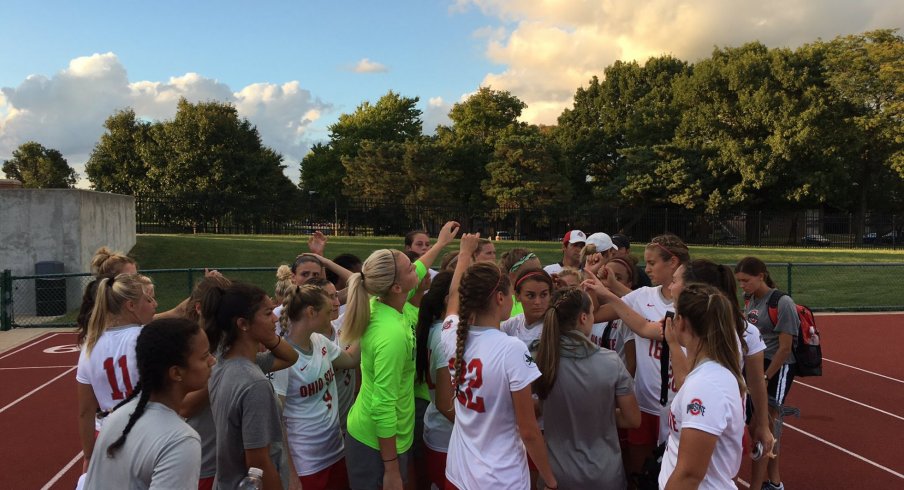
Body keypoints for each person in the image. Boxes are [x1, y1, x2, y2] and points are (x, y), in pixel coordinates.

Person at [340, 221, 459, 490]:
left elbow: (417, 268)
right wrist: (391, 469)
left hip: (388, 440)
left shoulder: (386, 302)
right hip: (375, 444)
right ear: (397, 286)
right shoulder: (390, 334)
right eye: (409, 267)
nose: (417, 267)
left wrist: (441, 244)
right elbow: (382, 405)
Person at [443, 250, 558, 490]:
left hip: (457, 473)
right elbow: (528, 431)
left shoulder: (450, 333)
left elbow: (454, 298)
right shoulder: (510, 349)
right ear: (499, 298)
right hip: (500, 478)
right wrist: (550, 480)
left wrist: (464, 254)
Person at [587, 234, 691, 478]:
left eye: (653, 263)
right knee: (640, 472)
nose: (647, 268)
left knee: (677, 473)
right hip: (645, 403)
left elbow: (646, 326)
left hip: (681, 403)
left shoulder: (695, 303)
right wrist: (590, 275)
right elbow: (593, 314)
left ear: (673, 262)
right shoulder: (643, 296)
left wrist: (610, 290)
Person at [84, 318, 214, 489]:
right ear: (176, 372)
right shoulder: (180, 440)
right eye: (204, 357)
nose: (212, 361)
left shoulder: (116, 418)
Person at [535, 287, 640, 489]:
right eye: (593, 313)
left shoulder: (540, 359)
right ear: (583, 317)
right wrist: (597, 411)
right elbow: (633, 419)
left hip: (556, 475)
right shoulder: (611, 361)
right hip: (604, 474)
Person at [203, 282, 300, 490]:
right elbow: (258, 463)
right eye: (267, 314)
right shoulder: (254, 384)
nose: (275, 318)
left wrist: (270, 337)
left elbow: (291, 357)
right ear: (243, 324)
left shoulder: (222, 360)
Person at [658, 284, 746, 489]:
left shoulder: (707, 386)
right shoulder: (707, 374)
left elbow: (689, 475)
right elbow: (687, 383)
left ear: (681, 322)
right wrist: (672, 343)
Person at [280, 285, 359, 490]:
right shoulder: (282, 358)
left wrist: (368, 323)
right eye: (326, 312)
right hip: (308, 462)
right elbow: (278, 420)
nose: (331, 317)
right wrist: (292, 474)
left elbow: (350, 360)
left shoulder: (319, 340)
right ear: (311, 312)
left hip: (336, 449)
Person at [76, 273, 157, 475]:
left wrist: (88, 455)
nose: (154, 304)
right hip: (146, 434)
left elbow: (85, 411)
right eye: (147, 299)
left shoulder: (90, 346)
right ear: (131, 306)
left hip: (107, 435)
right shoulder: (146, 338)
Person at [735, 257, 800, 490]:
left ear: (761, 276)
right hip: (757, 362)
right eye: (739, 281)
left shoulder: (782, 303)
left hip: (778, 367)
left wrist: (765, 377)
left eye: (746, 280)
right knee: (754, 425)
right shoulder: (749, 299)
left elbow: (785, 347)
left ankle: (773, 481)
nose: (742, 285)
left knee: (764, 424)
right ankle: (769, 479)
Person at [180, 274, 233, 490]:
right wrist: (219, 371)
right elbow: (185, 406)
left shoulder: (232, 340)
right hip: (204, 458)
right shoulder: (187, 344)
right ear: (200, 308)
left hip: (229, 457)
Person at [414, 271, 456, 489]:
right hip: (447, 435)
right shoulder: (445, 336)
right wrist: (475, 428)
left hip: (438, 428)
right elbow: (444, 401)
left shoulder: (434, 327)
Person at [501, 268, 553, 350]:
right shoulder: (512, 324)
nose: (537, 302)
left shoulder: (553, 327)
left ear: (551, 295)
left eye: (543, 295)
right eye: (530, 296)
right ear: (517, 296)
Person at [500, 248, 542, 317]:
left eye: (540, 270)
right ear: (512, 276)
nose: (538, 275)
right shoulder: (503, 304)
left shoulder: (541, 300)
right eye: (530, 273)